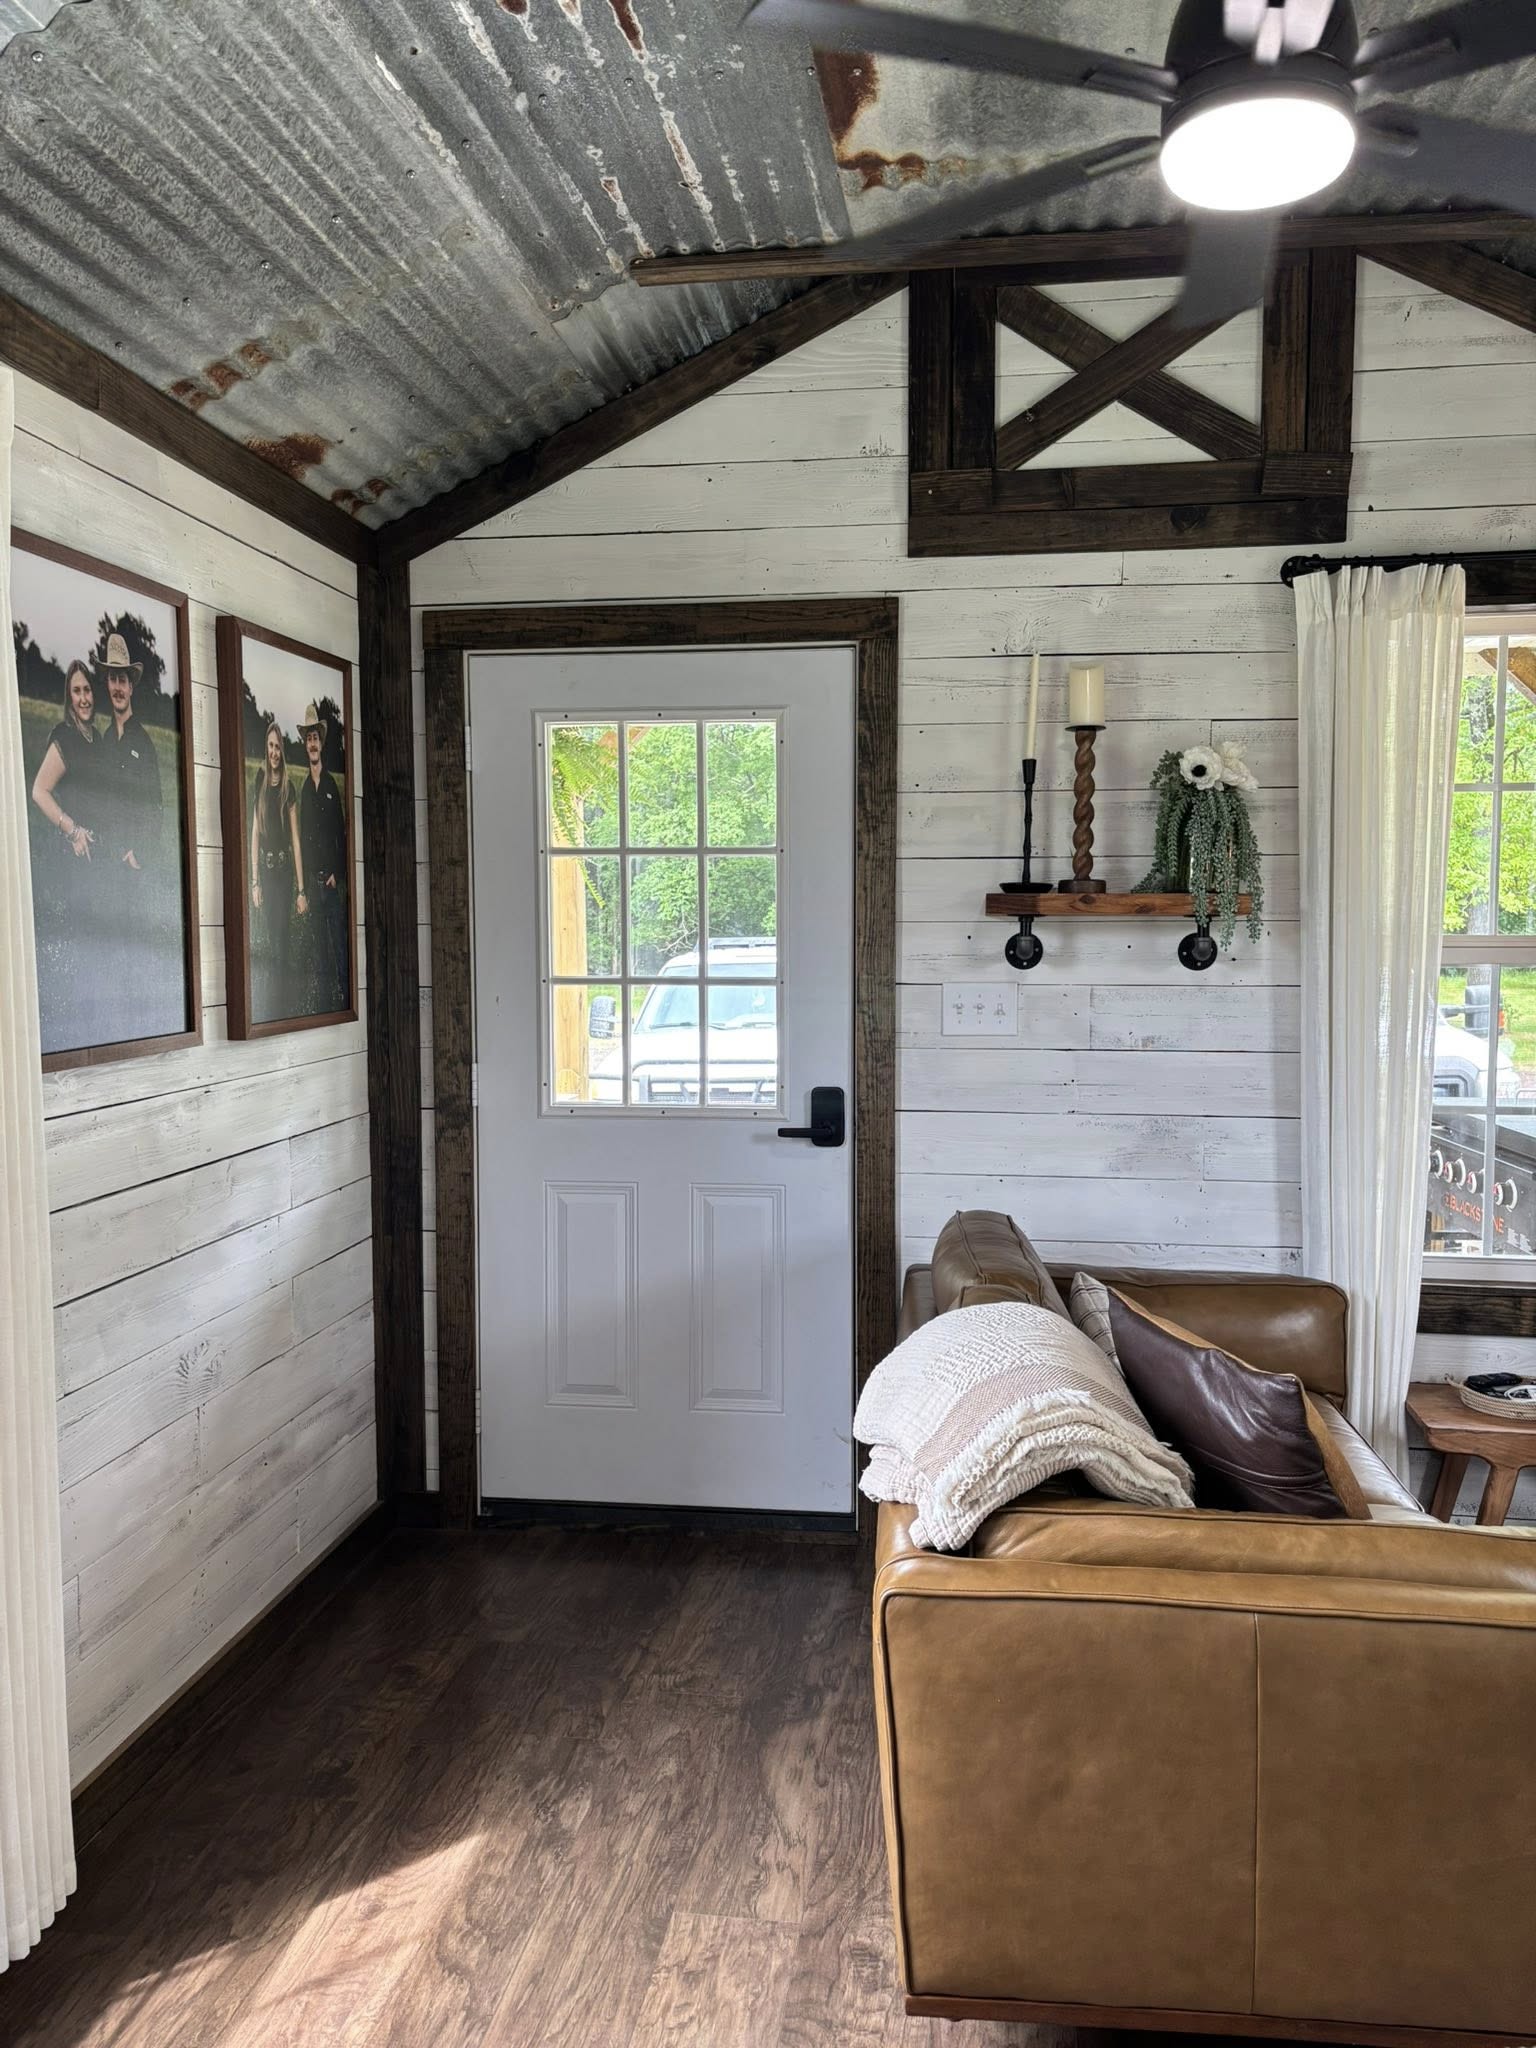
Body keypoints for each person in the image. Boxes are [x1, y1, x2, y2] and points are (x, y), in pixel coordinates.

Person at [95, 631, 171, 1038]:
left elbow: (156, 809)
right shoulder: (106, 740)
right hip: (108, 868)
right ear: (106, 683)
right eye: (113, 678)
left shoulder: (143, 742)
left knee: (136, 953)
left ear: (132, 685)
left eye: (124, 679)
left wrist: (138, 855)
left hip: (135, 871)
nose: (119, 687)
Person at [29, 660, 103, 1047]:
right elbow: (39, 790)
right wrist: (71, 828)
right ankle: (72, 1031)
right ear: (68, 697)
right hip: (76, 860)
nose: (84, 698)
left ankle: (91, 1025)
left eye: (88, 689)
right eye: (76, 691)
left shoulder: (98, 736)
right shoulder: (65, 736)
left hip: (101, 861)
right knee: (80, 945)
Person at [248, 720, 305, 1023]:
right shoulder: (258, 781)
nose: (273, 752)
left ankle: (282, 1006)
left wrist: (301, 889)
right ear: (266, 748)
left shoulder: (288, 787)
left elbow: (296, 840)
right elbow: (255, 832)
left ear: (282, 751)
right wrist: (255, 881)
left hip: (284, 876)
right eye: (270, 746)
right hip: (266, 876)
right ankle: (273, 1003)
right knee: (271, 937)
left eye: (277, 747)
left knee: (282, 937)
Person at [295, 701, 349, 1015]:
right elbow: (303, 837)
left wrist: (335, 873)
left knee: (339, 942)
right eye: (308, 739)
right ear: (304, 745)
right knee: (320, 948)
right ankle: (328, 1004)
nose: (312, 744)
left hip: (329, 882)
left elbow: (340, 835)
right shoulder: (305, 789)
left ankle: (344, 998)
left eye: (316, 738)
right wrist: (305, 883)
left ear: (321, 742)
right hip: (313, 884)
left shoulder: (330, 785)